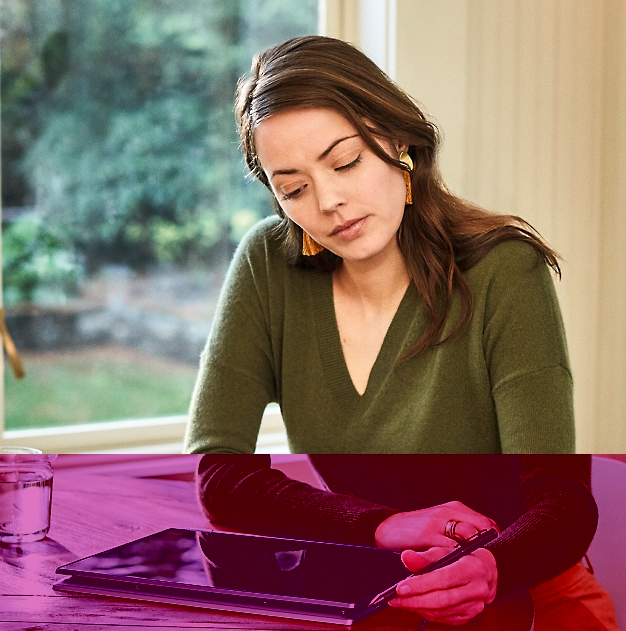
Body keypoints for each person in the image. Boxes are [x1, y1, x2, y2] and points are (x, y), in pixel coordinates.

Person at [182, 33, 572, 455]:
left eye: (346, 162)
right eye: (294, 189)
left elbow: (554, 501)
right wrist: (374, 524)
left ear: (396, 138)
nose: (329, 202)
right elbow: (213, 466)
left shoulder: (505, 271)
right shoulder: (268, 264)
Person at [198, 453, 626, 631]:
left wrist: (493, 565)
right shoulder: (274, 306)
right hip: (380, 625)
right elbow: (224, 478)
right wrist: (384, 524)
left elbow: (564, 501)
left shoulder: (513, 302)